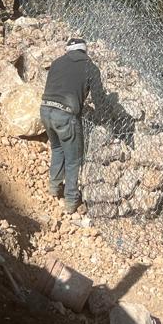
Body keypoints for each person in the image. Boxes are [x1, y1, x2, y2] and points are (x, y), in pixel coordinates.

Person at [41, 36, 107, 213]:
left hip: (45, 110)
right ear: (85, 51)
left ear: (68, 50)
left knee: (57, 148)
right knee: (73, 159)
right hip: (65, 115)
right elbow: (99, 100)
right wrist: (104, 118)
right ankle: (70, 200)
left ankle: (54, 187)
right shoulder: (90, 67)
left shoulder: (56, 62)